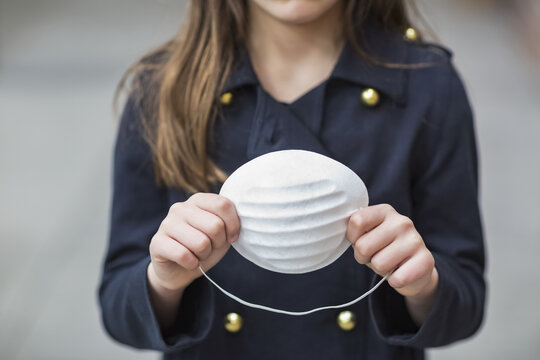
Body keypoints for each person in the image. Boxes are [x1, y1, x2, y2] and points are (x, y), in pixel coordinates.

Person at [99, 1, 486, 359]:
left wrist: (421, 286)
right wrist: (163, 281)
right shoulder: (163, 88)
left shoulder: (428, 86)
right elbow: (118, 310)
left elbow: (466, 304)